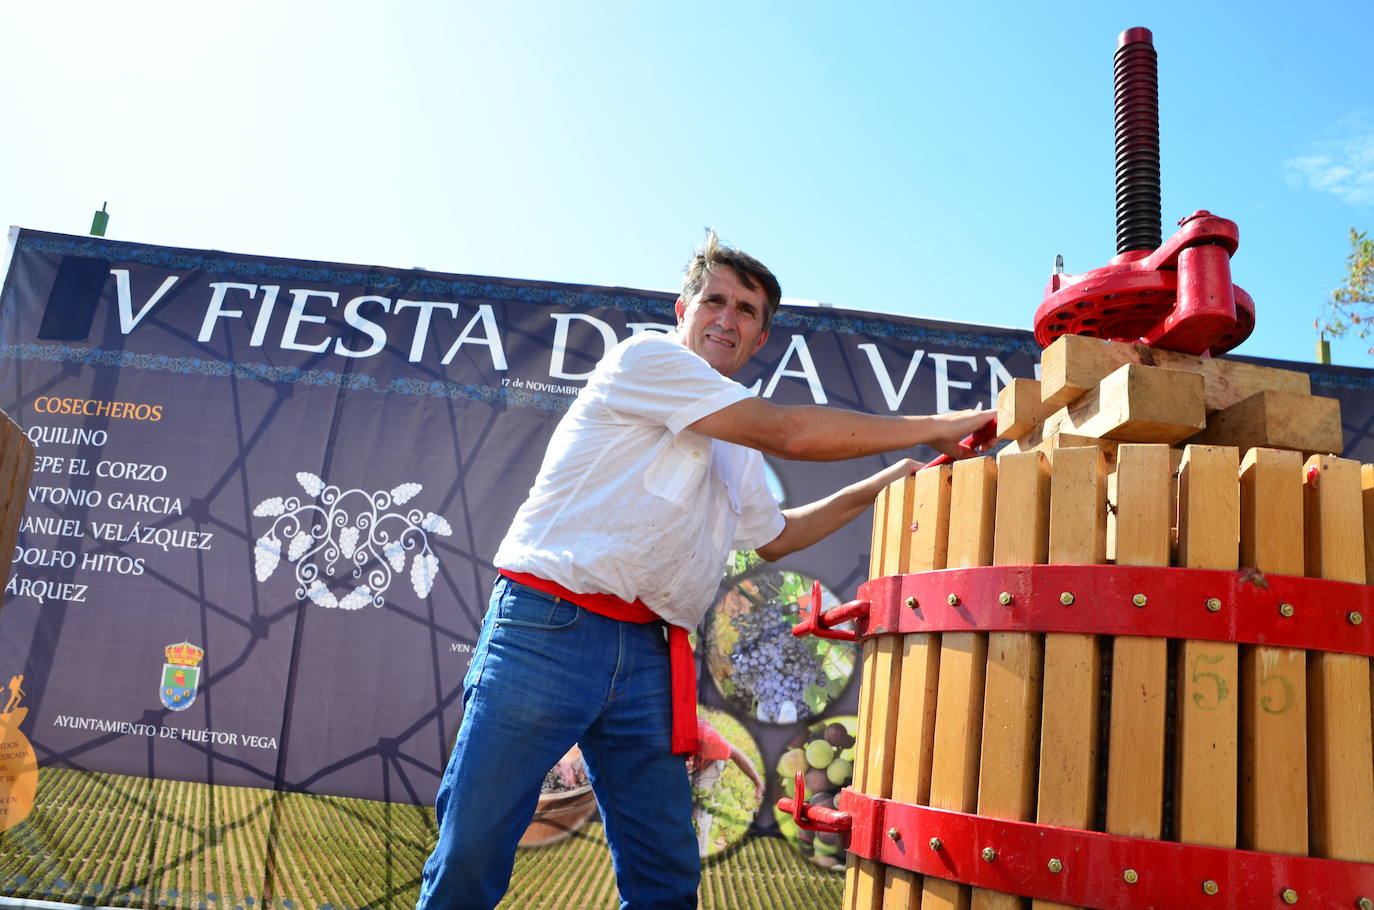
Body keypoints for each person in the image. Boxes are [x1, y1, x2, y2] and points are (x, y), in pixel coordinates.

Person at [414, 231, 993, 910]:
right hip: (549, 627)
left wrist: (886, 482)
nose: (728, 317)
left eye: (747, 310)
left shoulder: (737, 445)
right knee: (473, 853)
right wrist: (932, 428)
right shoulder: (647, 359)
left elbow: (776, 537)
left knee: (666, 877)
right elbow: (793, 435)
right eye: (714, 300)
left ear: (761, 338)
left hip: (653, 657)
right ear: (682, 309)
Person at [687, 716, 763, 858]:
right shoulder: (655, 739)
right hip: (682, 769)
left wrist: (757, 782)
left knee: (700, 811)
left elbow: (735, 753)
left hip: (707, 767)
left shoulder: (706, 736)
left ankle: (697, 858)